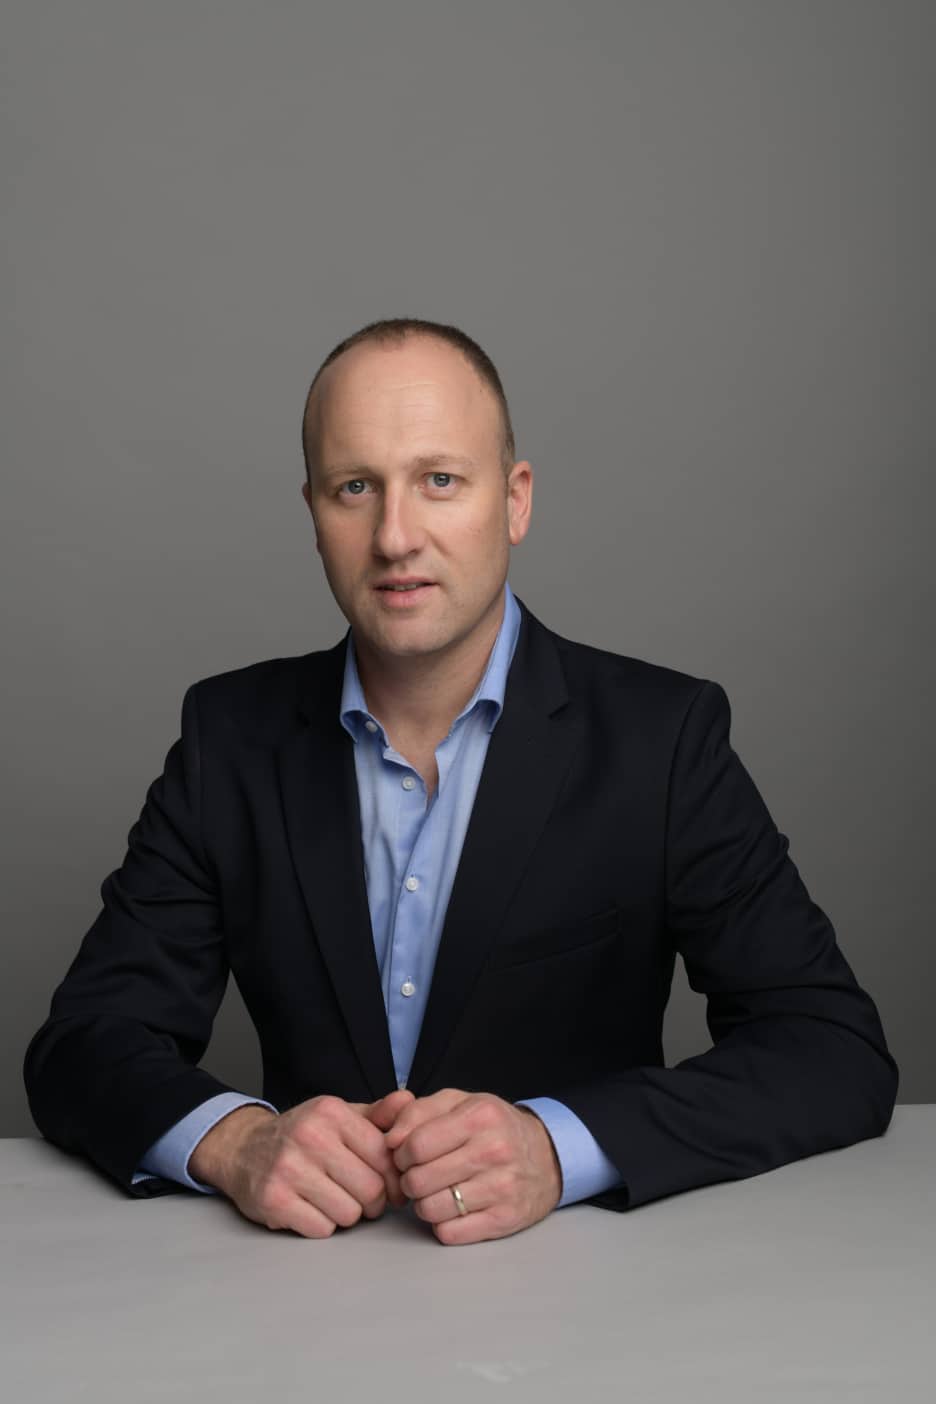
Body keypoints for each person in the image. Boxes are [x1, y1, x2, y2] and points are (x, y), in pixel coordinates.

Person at [23, 318, 898, 1246]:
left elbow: (830, 1046)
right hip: (302, 1288)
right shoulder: (229, 740)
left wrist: (557, 1148)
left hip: (593, 1290)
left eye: (439, 480)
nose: (395, 536)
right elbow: (84, 1044)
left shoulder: (662, 739)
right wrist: (236, 1143)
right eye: (355, 487)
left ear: (515, 502)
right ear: (314, 514)